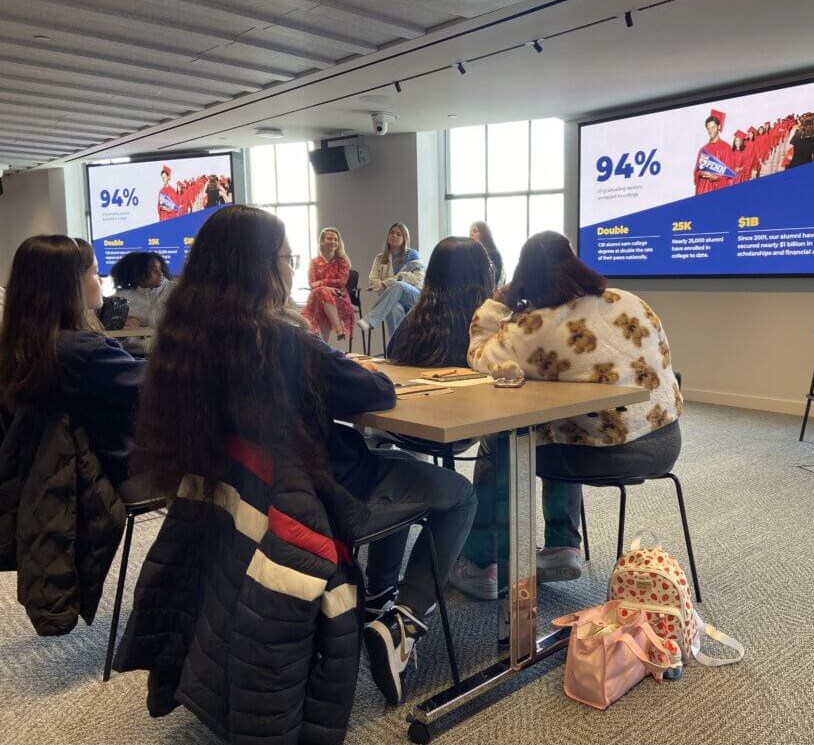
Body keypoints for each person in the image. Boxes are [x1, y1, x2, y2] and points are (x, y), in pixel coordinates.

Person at [128, 205, 475, 705]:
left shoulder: (187, 340)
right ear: (262, 268)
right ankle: (399, 623)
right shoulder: (278, 338)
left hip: (248, 501)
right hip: (316, 497)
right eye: (287, 257)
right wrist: (331, 355)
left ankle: (378, 603)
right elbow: (374, 392)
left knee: (386, 453)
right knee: (458, 494)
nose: (293, 268)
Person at [453, 231, 682, 604]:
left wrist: (498, 300)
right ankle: (562, 545)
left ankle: (482, 564)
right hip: (666, 442)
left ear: (524, 278)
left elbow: (479, 354)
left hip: (602, 453)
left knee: (507, 440)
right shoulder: (630, 300)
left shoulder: (537, 327)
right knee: (562, 423)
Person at [0, 236, 145, 487]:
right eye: (96, 273)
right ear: (71, 284)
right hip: (108, 472)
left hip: (47, 475)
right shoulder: (84, 352)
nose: (100, 281)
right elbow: (155, 389)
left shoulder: (22, 346)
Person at [387, 236, 493, 367]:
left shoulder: (416, 318)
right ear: (481, 278)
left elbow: (392, 354)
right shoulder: (490, 324)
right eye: (489, 268)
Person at [356, 222, 425, 338]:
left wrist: (388, 282)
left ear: (404, 239)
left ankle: (369, 321)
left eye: (398, 234)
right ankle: (397, 350)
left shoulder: (412, 255)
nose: (394, 236)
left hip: (414, 297)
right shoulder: (380, 258)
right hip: (392, 299)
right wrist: (390, 284)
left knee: (400, 285)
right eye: (392, 233)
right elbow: (373, 281)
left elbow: (417, 278)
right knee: (394, 308)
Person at [302, 227, 355, 343]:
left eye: (336, 240)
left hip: (338, 295)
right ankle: (337, 330)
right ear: (322, 241)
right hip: (319, 296)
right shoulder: (314, 262)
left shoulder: (342, 261)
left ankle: (324, 343)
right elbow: (311, 284)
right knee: (321, 293)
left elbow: (342, 282)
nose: (333, 242)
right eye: (329, 239)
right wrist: (326, 287)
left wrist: (321, 284)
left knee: (321, 293)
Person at [110, 251, 175, 330]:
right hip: (131, 342)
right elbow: (108, 325)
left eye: (161, 268)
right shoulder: (119, 297)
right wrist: (121, 322)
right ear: (137, 272)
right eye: (154, 270)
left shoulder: (175, 290)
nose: (160, 273)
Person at [693, 110, 736, 195]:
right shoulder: (703, 150)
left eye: (713, 127)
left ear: (718, 127)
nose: (710, 131)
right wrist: (701, 173)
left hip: (718, 192)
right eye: (708, 128)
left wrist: (717, 177)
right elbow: (696, 172)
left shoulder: (726, 148)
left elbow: (731, 176)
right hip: (703, 191)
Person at [470, 221, 505, 287]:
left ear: (483, 234)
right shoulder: (470, 252)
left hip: (487, 292)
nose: (471, 234)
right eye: (470, 232)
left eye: (475, 231)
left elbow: (494, 278)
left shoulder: (493, 254)